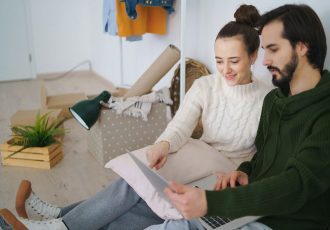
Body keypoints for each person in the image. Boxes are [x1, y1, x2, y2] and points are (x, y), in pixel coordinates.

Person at [0, 4, 272, 230]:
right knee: (141, 186)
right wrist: (163, 145)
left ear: (253, 55)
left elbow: (266, 153)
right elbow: (180, 125)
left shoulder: (269, 98)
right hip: (196, 156)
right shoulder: (206, 86)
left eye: (233, 61)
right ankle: (59, 221)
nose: (225, 69)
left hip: (225, 173)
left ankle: (58, 221)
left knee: (141, 194)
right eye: (219, 60)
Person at [145, 3, 330, 230]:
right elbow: (262, 157)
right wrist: (245, 172)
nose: (265, 61)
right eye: (265, 50)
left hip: (279, 224)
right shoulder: (275, 102)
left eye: (274, 49)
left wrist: (211, 203)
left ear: (302, 47)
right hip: (249, 210)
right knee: (172, 221)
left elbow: (295, 185)